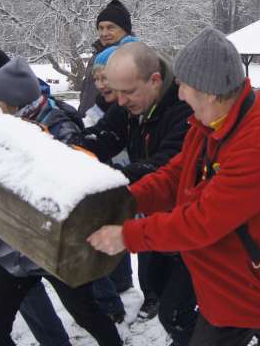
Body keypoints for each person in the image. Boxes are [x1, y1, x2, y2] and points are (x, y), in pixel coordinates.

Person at [87, 27, 260, 346]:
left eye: (184, 86)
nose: (179, 95)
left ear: (209, 92)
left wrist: (127, 236)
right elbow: (176, 176)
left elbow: (203, 220)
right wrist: (125, 200)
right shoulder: (208, 123)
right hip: (226, 291)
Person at [0, 57, 123, 346]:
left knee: (88, 314)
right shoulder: (5, 125)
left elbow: (72, 181)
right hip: (15, 249)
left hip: (56, 248)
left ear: (13, 103)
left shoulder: (58, 126)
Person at [75, 42, 196, 344]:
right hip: (153, 215)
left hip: (185, 223)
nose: (120, 101)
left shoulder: (184, 107)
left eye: (127, 92)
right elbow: (105, 135)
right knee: (161, 293)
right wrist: (72, 150)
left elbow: (165, 165)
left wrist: (113, 183)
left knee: (178, 310)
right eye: (117, 92)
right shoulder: (132, 101)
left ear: (154, 81)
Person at [78, 0, 138, 117]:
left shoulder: (132, 58)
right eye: (101, 28)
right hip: (89, 121)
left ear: (125, 29)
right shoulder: (96, 56)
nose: (104, 33)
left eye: (110, 27)